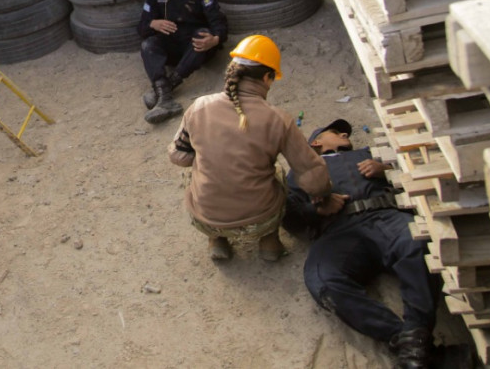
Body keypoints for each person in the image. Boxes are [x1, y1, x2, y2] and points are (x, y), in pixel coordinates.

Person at [283, 119, 438, 368]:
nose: (345, 133)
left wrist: (387, 169)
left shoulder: (370, 155)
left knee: (419, 244)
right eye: (334, 131)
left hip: (387, 216)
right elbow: (290, 217)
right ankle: (406, 339)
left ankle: (417, 331)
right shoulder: (299, 172)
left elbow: (418, 172)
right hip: (338, 232)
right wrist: (318, 208)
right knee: (322, 280)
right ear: (316, 142)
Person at [168, 34, 331, 262]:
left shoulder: (198, 107)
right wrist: (324, 196)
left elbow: (179, 157)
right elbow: (311, 175)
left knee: (192, 172)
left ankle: (216, 239)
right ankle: (269, 242)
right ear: (267, 77)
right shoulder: (278, 119)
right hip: (261, 217)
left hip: (206, 217)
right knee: (278, 174)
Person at [138, 0, 228, 124]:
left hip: (197, 49)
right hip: (172, 48)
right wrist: (152, 24)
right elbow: (140, 28)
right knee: (148, 44)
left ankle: (165, 91)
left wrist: (215, 40)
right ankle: (165, 97)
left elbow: (220, 23)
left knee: (202, 35)